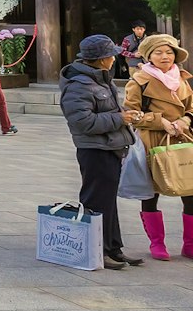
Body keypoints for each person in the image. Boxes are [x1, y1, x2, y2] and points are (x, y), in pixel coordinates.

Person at [59, 34, 142, 269]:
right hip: (94, 149)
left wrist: (124, 114)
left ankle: (113, 248)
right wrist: (119, 118)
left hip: (110, 146)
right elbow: (82, 122)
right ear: (101, 59)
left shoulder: (100, 78)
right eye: (111, 55)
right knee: (96, 201)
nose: (114, 59)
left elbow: (104, 109)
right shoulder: (79, 84)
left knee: (107, 201)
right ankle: (97, 250)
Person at [125, 32, 193, 262]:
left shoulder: (182, 79)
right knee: (151, 192)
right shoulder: (139, 81)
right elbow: (131, 114)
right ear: (148, 56)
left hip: (183, 139)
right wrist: (159, 121)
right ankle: (157, 244)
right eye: (158, 52)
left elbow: (191, 108)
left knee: (190, 190)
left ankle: (189, 244)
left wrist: (185, 120)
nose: (165, 57)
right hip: (152, 141)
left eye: (169, 52)